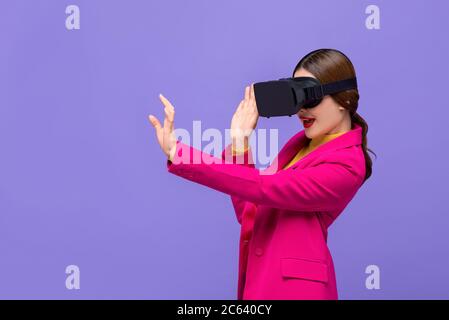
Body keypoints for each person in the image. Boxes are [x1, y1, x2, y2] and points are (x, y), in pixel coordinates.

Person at [148, 48, 375, 300]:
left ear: (344, 99)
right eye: (296, 98)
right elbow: (250, 210)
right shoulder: (301, 145)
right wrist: (239, 144)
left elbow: (264, 187)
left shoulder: (347, 164)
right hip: (261, 285)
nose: (301, 111)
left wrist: (179, 153)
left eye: (309, 98)